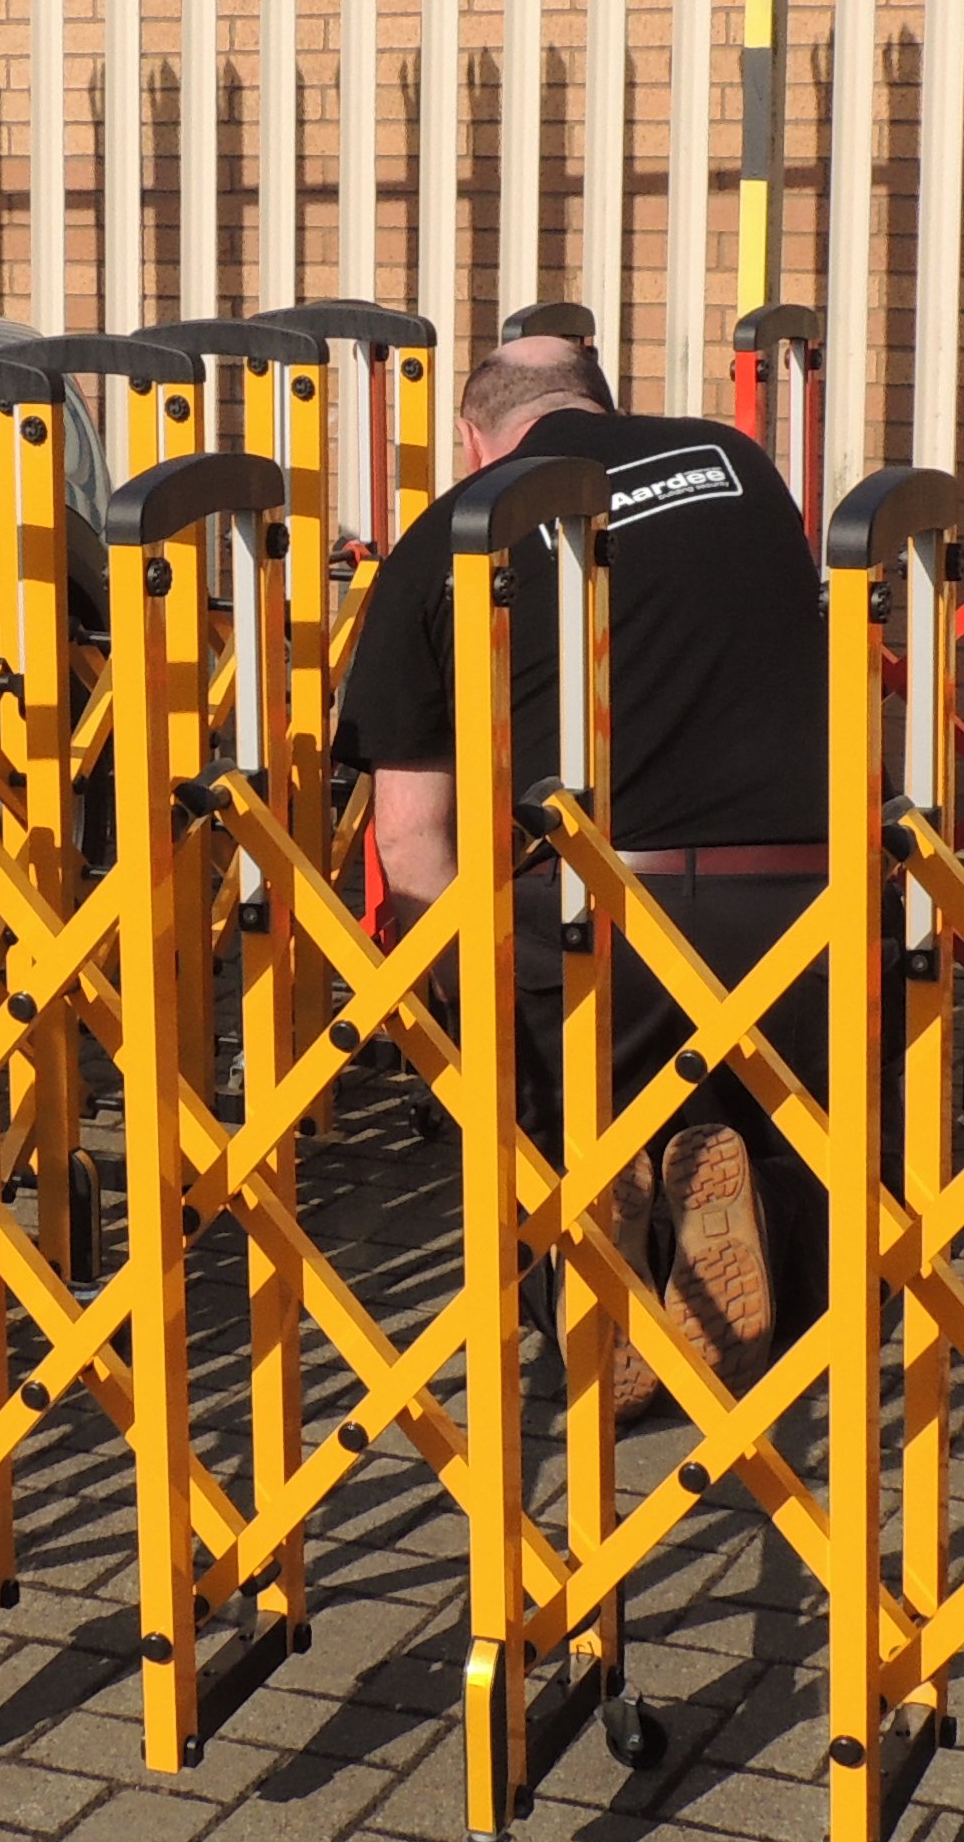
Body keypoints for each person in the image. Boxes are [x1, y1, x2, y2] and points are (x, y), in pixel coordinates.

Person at [336, 332, 826, 1416]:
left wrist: (460, 1017)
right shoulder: (740, 466)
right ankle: (739, 1209)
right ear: (607, 404)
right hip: (817, 920)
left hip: (611, 925)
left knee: (525, 1053)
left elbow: (413, 840)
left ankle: (600, 1253)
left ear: (475, 440)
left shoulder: (457, 536)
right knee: (799, 1145)